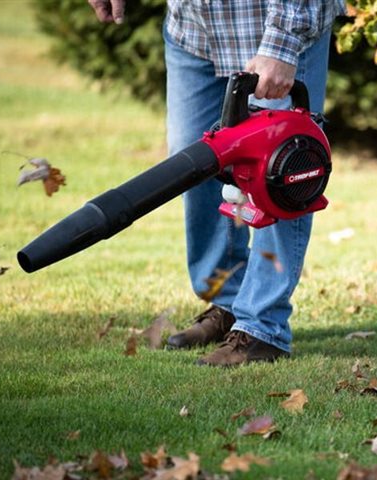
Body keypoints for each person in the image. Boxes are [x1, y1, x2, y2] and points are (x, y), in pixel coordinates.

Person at [88, 0, 345, 367]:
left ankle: (261, 327)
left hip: (273, 27)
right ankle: (228, 302)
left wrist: (282, 43)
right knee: (193, 162)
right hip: (195, 29)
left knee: (283, 172)